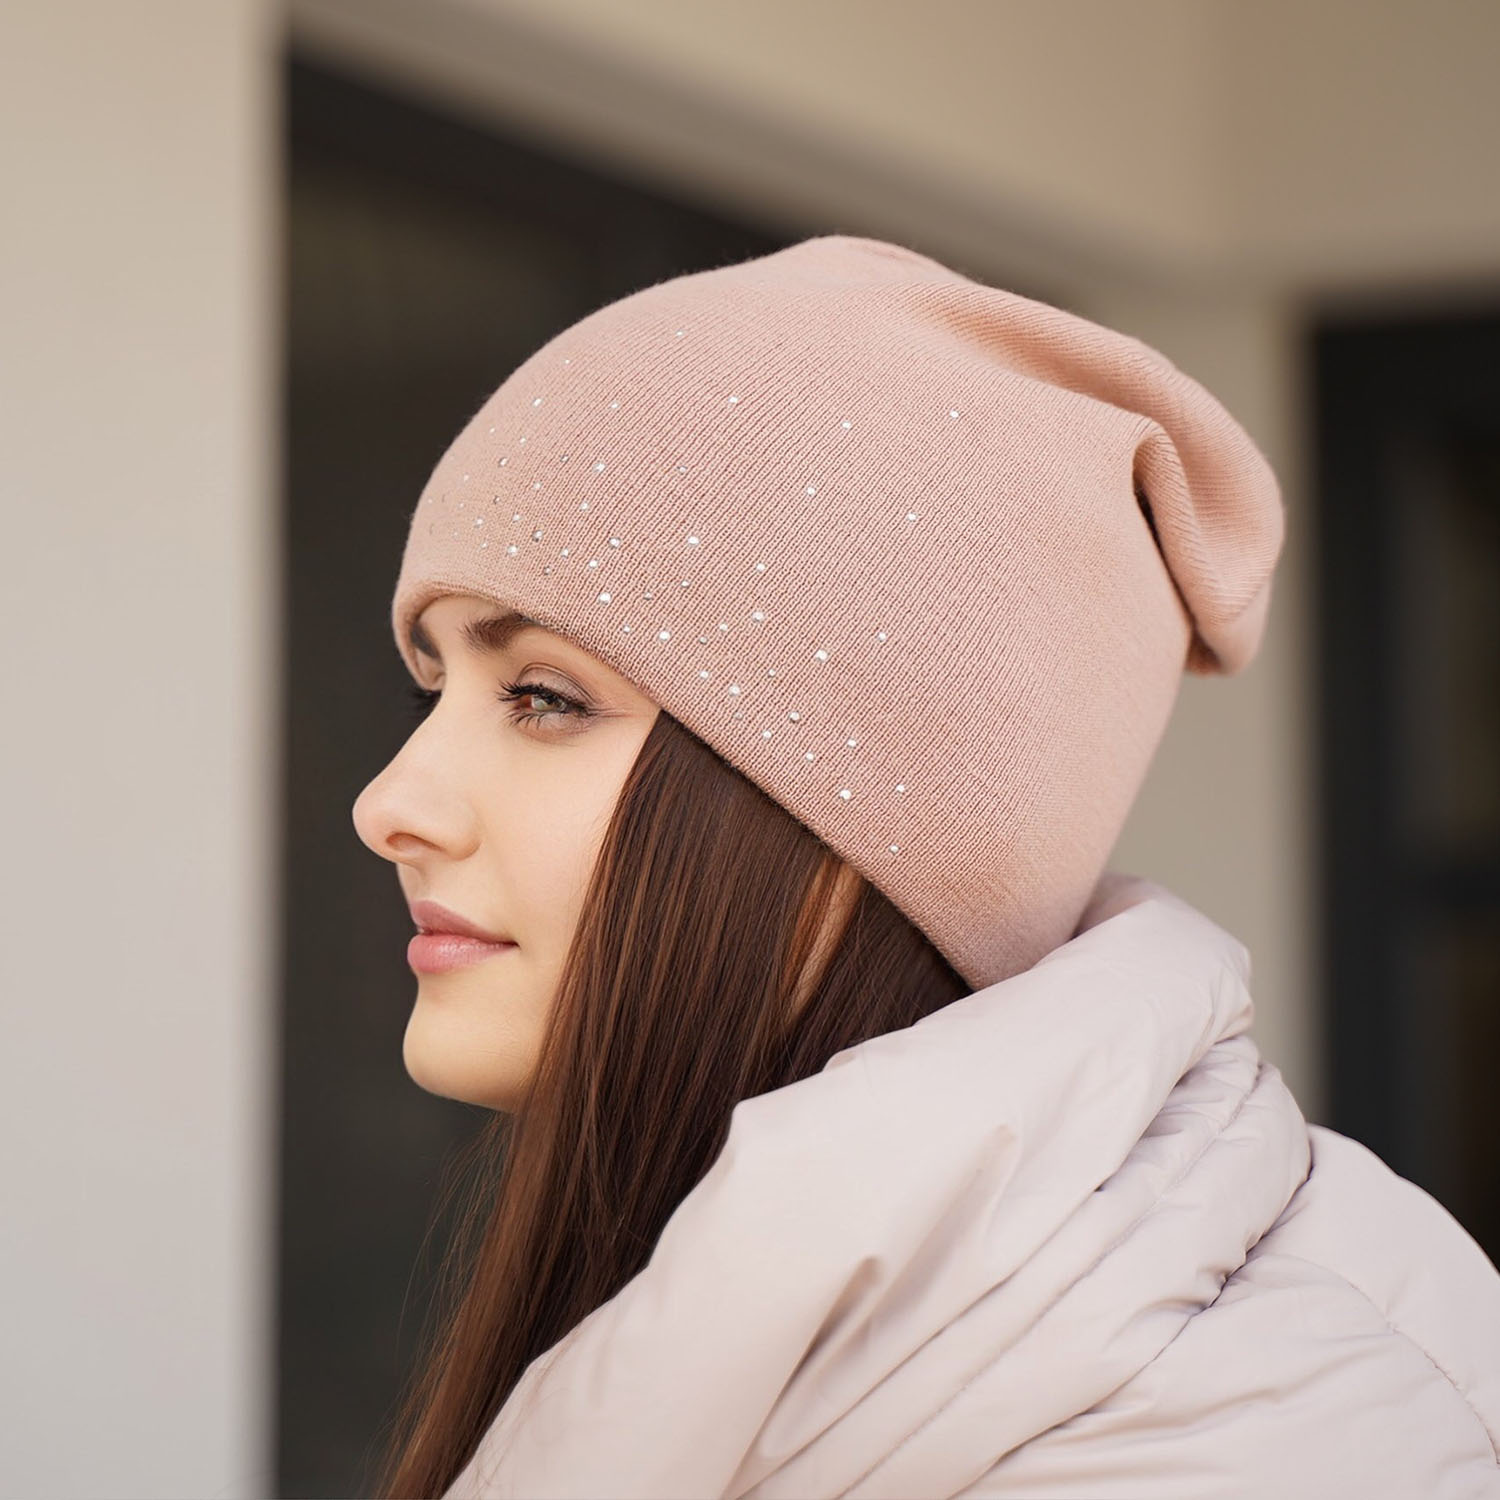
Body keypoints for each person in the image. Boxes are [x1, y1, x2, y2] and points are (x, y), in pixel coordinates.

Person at [351, 235, 1500, 1499]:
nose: (388, 805)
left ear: (857, 829)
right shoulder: (734, 1317)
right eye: (433, 686)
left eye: (543, 697)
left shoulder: (1229, 1446)